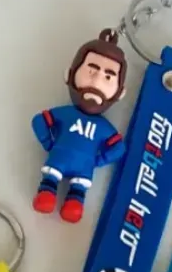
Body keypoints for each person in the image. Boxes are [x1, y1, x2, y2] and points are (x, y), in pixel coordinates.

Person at [31, 30, 127, 223]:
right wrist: (48, 142)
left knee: (76, 199)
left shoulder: (103, 127)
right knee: (47, 191)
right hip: (60, 159)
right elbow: (40, 120)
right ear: (69, 74)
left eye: (108, 77)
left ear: (120, 93)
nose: (97, 80)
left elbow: (119, 147)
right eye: (91, 71)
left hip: (83, 168)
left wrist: (99, 160)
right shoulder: (66, 113)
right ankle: (47, 193)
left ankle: (74, 203)